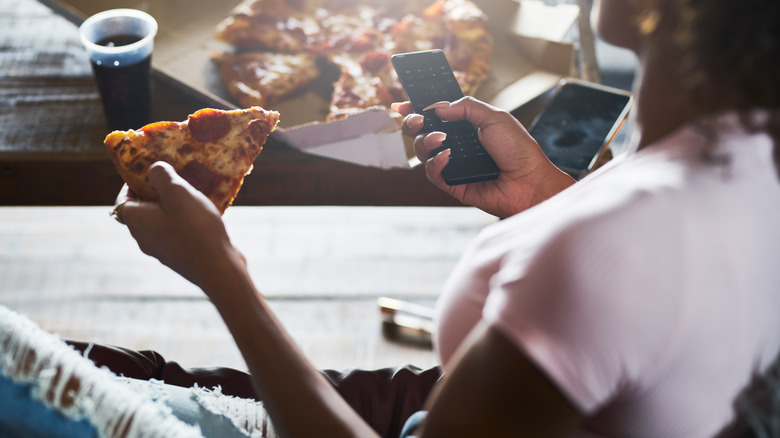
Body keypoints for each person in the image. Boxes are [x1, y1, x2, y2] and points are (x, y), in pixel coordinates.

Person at [104, 0, 780, 436]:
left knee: (91, 378)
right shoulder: (748, 142)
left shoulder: (598, 258)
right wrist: (546, 197)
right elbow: (645, 308)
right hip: (473, 406)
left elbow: (610, 277)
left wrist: (220, 272)